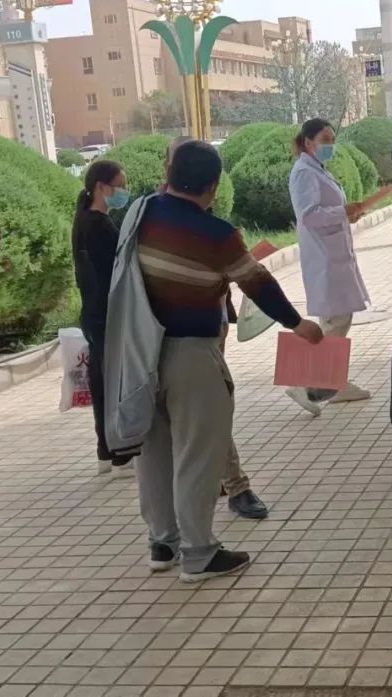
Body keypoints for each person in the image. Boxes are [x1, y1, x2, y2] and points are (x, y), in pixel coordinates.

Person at [134, 140, 323, 582]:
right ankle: (199, 552)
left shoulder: (140, 215)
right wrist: (298, 324)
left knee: (154, 452)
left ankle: (163, 543)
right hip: (190, 355)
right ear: (214, 185)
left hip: (139, 352)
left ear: (168, 173)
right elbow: (257, 282)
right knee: (199, 454)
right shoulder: (216, 233)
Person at [164, 136, 268, 520]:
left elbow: (238, 272)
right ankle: (225, 489)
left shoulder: (204, 219)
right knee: (195, 418)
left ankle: (230, 484)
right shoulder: (151, 216)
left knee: (212, 408)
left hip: (206, 332)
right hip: (164, 340)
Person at [287, 118, 372, 416]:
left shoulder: (317, 169)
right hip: (323, 257)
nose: (330, 145)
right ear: (308, 142)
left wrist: (346, 214)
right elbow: (309, 215)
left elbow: (326, 211)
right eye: (325, 140)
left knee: (335, 319)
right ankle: (312, 382)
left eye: (333, 140)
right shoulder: (303, 173)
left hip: (331, 254)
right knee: (337, 318)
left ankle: (330, 380)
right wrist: (341, 212)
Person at [72, 159, 139, 476]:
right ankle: (121, 455)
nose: (124, 192)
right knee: (115, 383)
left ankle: (106, 451)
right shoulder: (99, 225)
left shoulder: (82, 220)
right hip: (107, 314)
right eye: (119, 186)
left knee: (102, 382)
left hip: (93, 313)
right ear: (101, 187)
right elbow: (116, 271)